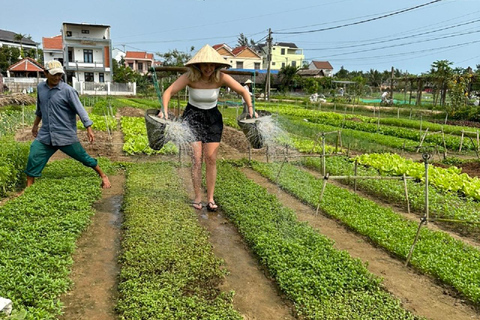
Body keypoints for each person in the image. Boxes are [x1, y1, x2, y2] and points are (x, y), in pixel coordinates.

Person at [159, 44, 254, 212]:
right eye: (205, 65)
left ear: (217, 66)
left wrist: (251, 109)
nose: (209, 68)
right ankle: (197, 197)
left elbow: (243, 91)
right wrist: (164, 111)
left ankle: (210, 198)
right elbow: (168, 92)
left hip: (213, 119)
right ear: (198, 65)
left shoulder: (220, 77)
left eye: (212, 65)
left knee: (210, 158)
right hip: (192, 118)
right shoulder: (190, 77)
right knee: (196, 159)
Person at [24, 60, 111, 190]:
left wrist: (89, 128)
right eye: (54, 74)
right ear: (45, 73)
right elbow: (39, 109)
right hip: (46, 134)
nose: (57, 77)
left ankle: (103, 176)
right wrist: (35, 125)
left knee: (84, 158)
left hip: (65, 134)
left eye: (60, 74)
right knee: (34, 155)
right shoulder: (40, 88)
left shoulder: (68, 91)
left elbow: (80, 110)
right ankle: (29, 187)